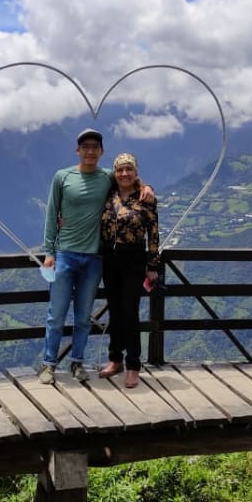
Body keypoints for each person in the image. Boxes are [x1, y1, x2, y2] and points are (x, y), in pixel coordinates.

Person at [38, 128, 152, 384]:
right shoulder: (62, 177)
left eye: (95, 146)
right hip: (65, 254)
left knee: (83, 316)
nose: (90, 151)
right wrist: (49, 252)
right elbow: (51, 214)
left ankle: (76, 362)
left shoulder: (107, 177)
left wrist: (148, 187)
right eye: (85, 146)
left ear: (101, 151)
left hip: (94, 258)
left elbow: (130, 178)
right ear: (77, 150)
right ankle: (48, 364)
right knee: (56, 313)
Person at [97, 153, 159, 388]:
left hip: (134, 259)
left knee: (130, 313)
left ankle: (133, 365)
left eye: (128, 169)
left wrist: (152, 265)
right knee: (114, 311)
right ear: (115, 172)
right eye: (120, 169)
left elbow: (153, 233)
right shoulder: (108, 193)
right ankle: (115, 360)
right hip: (109, 259)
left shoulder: (145, 198)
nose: (124, 173)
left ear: (135, 172)